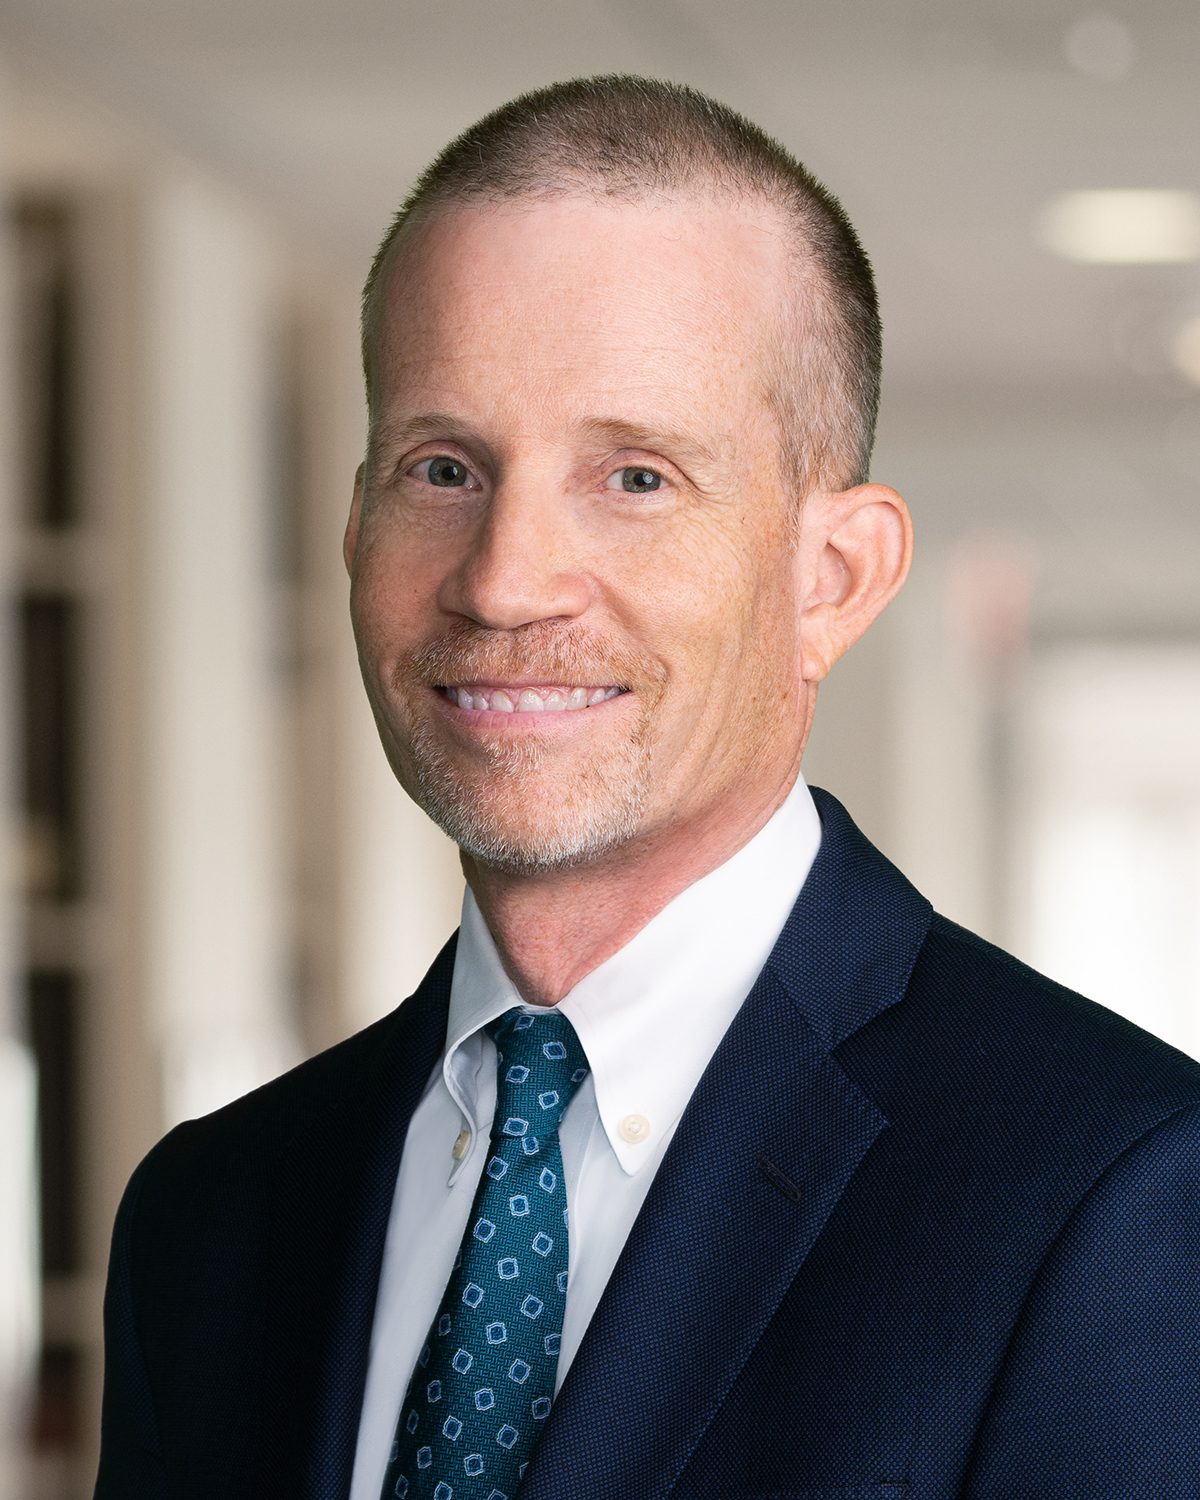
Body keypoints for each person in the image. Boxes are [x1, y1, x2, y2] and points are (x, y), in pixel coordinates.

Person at [95, 76, 1200, 1500]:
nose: (504, 580)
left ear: (833, 578)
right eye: (445, 467)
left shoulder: (1110, 1199)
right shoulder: (211, 1216)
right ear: (357, 524)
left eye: (634, 478)